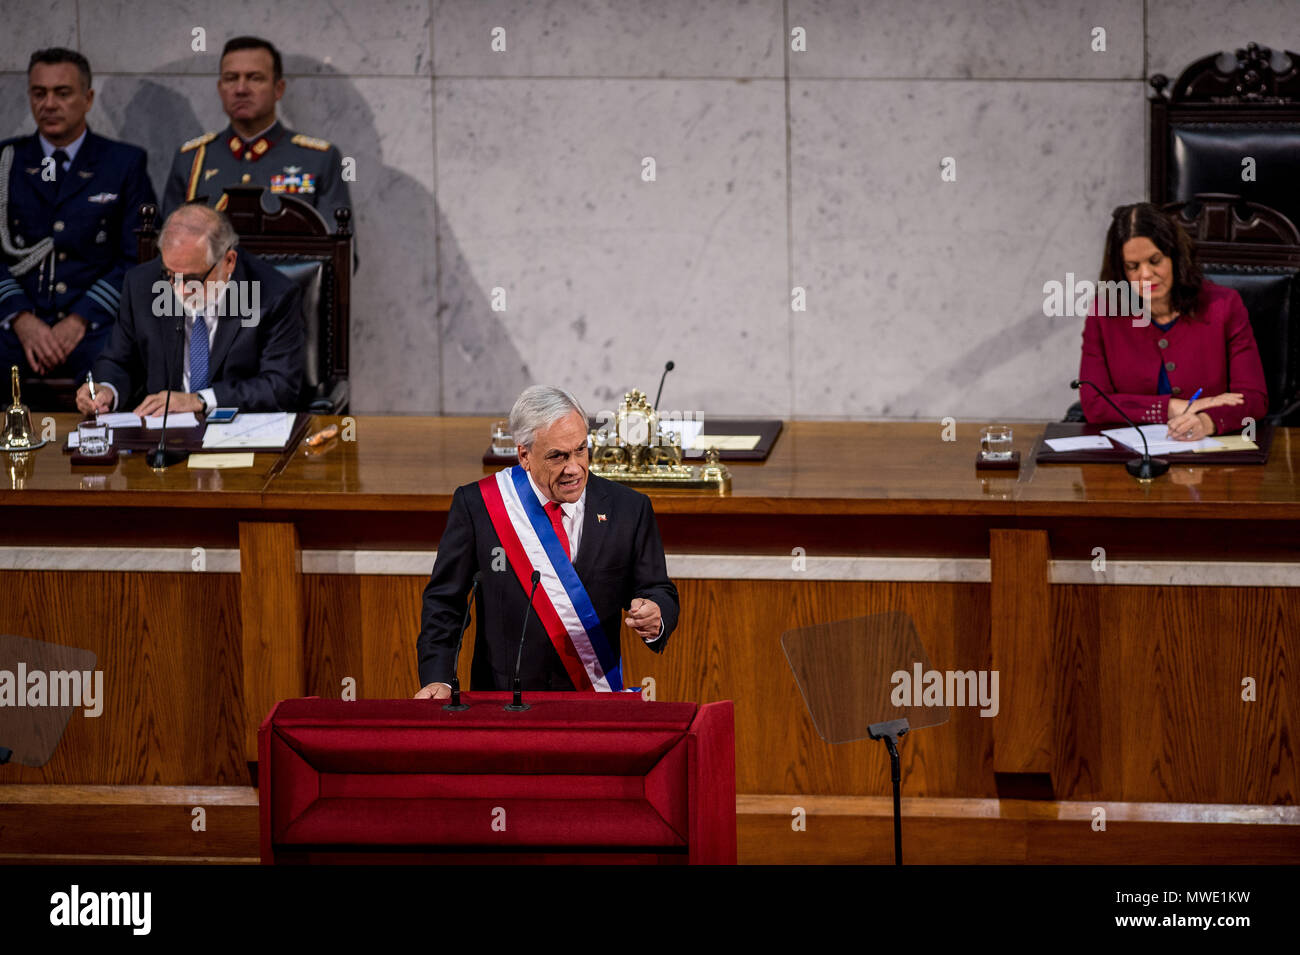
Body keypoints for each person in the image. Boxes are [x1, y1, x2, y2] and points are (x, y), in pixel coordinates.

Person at [415, 386, 679, 697]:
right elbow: (446, 604)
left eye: (581, 450)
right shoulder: (480, 506)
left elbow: (658, 589)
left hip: (592, 703)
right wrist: (438, 679)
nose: (574, 468)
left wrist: (655, 614)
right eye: (558, 456)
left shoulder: (628, 509)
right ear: (524, 455)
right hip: (503, 704)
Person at [0, 48, 156, 381]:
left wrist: (80, 319)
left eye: (62, 93)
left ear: (87, 98)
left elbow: (138, 257)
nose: (49, 104)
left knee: (120, 374)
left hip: (96, 326)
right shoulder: (5, 161)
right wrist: (21, 318)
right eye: (39, 93)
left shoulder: (123, 163)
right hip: (14, 323)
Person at [75, 203, 304, 416]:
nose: (180, 290)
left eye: (192, 279)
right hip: (162, 435)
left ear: (229, 261)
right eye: (171, 275)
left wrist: (200, 400)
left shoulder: (273, 295)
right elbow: (118, 361)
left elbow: (279, 387)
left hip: (238, 435)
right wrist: (106, 390)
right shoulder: (142, 285)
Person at [1079, 202, 1268, 440]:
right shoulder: (1104, 314)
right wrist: (1173, 407)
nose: (1145, 274)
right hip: (1132, 459)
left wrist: (1205, 421)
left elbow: (1253, 399)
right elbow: (1094, 404)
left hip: (1210, 454)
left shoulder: (1224, 306)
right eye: (1132, 266)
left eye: (1155, 260)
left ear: (1175, 257)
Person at [160, 36, 352, 235]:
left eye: (254, 78)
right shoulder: (191, 159)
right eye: (231, 78)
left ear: (278, 89)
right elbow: (168, 247)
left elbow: (340, 251)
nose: (241, 89)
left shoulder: (318, 159)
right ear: (220, 89)